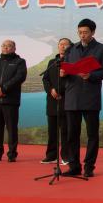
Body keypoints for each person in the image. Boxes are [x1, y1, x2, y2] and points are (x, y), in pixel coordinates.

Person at [62, 18, 103, 178]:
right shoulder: (71, 49)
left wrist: (91, 75)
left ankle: (89, 166)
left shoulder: (102, 49)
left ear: (93, 32)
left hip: (91, 97)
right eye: (80, 32)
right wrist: (63, 73)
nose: (82, 35)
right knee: (72, 134)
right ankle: (74, 166)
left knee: (92, 134)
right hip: (72, 96)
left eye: (85, 32)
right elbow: (66, 67)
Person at [0, 39, 27, 162]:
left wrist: (4, 89)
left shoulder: (20, 62)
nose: (5, 48)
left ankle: (12, 154)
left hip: (11, 101)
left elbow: (20, 77)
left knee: (11, 128)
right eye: (3, 45)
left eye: (9, 46)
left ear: (14, 48)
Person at [40, 37, 72, 165]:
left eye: (65, 44)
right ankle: (51, 156)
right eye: (60, 44)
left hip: (66, 101)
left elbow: (73, 81)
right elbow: (45, 79)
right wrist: (51, 90)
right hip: (52, 101)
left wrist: (60, 91)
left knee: (65, 131)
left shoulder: (72, 62)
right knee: (52, 131)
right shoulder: (52, 62)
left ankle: (66, 156)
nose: (62, 46)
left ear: (70, 47)